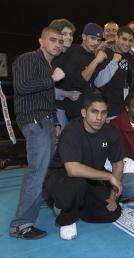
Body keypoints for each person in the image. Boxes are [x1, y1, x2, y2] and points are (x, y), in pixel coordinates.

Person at [9, 25, 65, 240]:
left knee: (43, 168)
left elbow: (46, 97)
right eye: (53, 40)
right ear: (41, 41)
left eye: (60, 41)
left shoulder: (48, 65)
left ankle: (37, 201)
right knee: (37, 170)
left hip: (47, 121)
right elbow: (22, 86)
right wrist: (53, 79)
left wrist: (57, 122)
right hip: (34, 121)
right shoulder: (28, 59)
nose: (57, 44)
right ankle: (20, 224)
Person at [44, 93, 123, 240]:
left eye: (103, 112)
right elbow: (72, 169)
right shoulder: (72, 131)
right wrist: (109, 176)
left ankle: (74, 205)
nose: (99, 118)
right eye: (94, 112)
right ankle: (66, 216)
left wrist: (112, 196)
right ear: (84, 112)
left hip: (90, 177)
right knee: (77, 185)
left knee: (111, 212)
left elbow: (118, 163)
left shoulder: (110, 132)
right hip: (63, 178)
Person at [63, 23, 107, 120]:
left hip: (89, 111)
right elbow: (78, 81)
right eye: (92, 38)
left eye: (99, 40)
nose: (96, 43)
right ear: (84, 36)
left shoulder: (92, 56)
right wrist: (96, 61)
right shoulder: (74, 51)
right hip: (74, 112)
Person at [94, 26, 134, 118]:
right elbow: (98, 83)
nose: (127, 43)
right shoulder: (105, 54)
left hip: (126, 111)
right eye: (124, 39)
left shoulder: (131, 58)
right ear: (116, 38)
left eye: (130, 40)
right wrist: (113, 63)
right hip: (108, 111)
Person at [49, 18, 81, 129]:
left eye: (71, 34)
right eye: (65, 34)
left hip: (70, 110)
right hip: (56, 110)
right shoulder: (52, 57)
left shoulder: (68, 56)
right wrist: (67, 94)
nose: (69, 37)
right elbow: (44, 88)